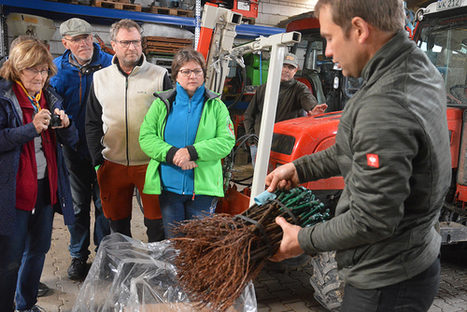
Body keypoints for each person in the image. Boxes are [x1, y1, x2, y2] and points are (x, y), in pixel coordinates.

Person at [265, 0, 450, 311]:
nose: (327, 52)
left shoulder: (384, 103)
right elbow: (353, 148)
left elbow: (371, 220)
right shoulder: (415, 65)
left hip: (385, 284)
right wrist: (300, 169)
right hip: (412, 261)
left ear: (360, 29)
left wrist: (302, 239)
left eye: (329, 37)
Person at [0, 39, 78, 312]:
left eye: (44, 70)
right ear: (17, 69)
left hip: (45, 189)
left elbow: (72, 139)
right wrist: (29, 129)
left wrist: (66, 126)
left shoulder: (49, 96)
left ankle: (27, 304)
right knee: (9, 258)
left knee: (38, 250)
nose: (40, 76)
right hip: (14, 194)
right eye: (33, 70)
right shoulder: (4, 98)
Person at [86, 19, 172, 242]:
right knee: (118, 226)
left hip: (150, 164)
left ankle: (156, 272)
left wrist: (165, 158)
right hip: (112, 164)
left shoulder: (160, 76)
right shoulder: (100, 78)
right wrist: (98, 161)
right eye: (125, 42)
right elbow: (92, 122)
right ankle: (126, 269)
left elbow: (172, 120)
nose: (131, 47)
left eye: (136, 42)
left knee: (156, 224)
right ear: (113, 44)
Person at [139, 48, 236, 238]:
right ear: (176, 75)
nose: (192, 76)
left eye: (197, 71)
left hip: (203, 190)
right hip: (169, 188)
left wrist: (191, 152)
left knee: (198, 243)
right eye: (186, 71)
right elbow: (146, 137)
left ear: (203, 74)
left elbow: (226, 141)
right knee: (174, 241)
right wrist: (175, 154)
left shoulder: (216, 105)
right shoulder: (162, 103)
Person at [50, 17, 112, 281]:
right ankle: (78, 257)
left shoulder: (110, 64)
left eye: (87, 37)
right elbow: (51, 103)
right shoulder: (56, 70)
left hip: (105, 149)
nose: (84, 43)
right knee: (76, 207)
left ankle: (103, 257)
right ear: (65, 43)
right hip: (72, 150)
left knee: (104, 204)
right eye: (76, 40)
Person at [243, 52, 327, 140]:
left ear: (296, 70)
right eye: (284, 66)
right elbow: (249, 115)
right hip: (260, 141)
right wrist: (251, 139)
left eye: (291, 68)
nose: (286, 70)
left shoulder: (299, 89)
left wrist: (313, 108)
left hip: (284, 144)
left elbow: (307, 98)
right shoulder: (264, 88)